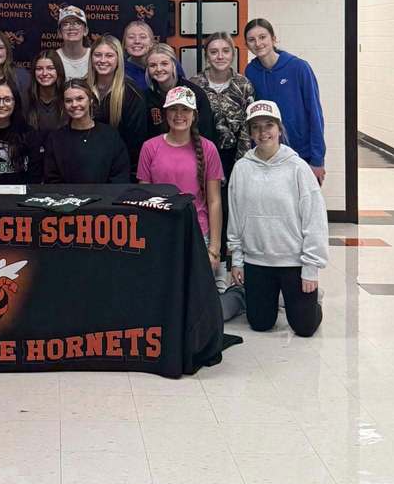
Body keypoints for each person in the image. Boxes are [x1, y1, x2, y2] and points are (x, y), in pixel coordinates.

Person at [228, 100, 328, 337]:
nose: (263, 133)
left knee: (304, 327)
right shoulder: (242, 168)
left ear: (279, 129)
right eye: (256, 127)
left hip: (293, 261)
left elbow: (315, 220)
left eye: (269, 125)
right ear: (250, 133)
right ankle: (269, 298)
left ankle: (312, 300)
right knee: (260, 324)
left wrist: (311, 267)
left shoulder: (298, 168)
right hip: (257, 262)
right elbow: (235, 216)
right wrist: (237, 259)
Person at [137, 86, 224, 278]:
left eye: (185, 109)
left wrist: (214, 248)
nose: (179, 115)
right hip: (159, 232)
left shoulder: (208, 149)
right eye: (173, 109)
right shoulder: (149, 148)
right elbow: (144, 199)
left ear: (194, 114)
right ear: (165, 113)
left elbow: (214, 201)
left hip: (197, 233)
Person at [244, 18, 326, 186]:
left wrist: (317, 159)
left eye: (262, 37)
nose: (258, 43)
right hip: (268, 155)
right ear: (247, 45)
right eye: (252, 40)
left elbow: (315, 115)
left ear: (274, 39)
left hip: (301, 154)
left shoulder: (299, 68)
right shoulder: (250, 71)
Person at [191, 33, 255, 181]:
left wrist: (242, 164)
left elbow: (247, 127)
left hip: (234, 157)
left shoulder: (243, 85)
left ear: (233, 54)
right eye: (214, 52)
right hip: (202, 156)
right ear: (207, 55)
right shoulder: (194, 85)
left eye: (226, 51)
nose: (220, 56)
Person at [44, 79, 130, 184]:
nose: (74, 104)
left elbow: (120, 176)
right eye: (68, 101)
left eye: (80, 99)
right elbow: (52, 180)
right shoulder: (55, 139)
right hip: (67, 199)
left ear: (90, 100)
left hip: (106, 198)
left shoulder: (110, 136)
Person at [86, 34, 146, 171]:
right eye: (97, 55)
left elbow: (135, 142)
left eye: (109, 55)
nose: (102, 60)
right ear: (91, 58)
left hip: (119, 169)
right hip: (85, 166)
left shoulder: (132, 93)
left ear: (118, 59)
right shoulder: (82, 89)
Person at [144, 42, 216, 145]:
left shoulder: (194, 94)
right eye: (153, 65)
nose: (159, 69)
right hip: (159, 154)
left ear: (174, 64)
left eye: (164, 63)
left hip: (193, 152)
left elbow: (206, 132)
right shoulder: (146, 97)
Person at [25, 50, 66, 139]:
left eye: (50, 68)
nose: (44, 73)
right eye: (39, 69)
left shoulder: (67, 98)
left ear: (58, 70)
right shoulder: (26, 98)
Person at [55, 6, 91, 79]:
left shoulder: (95, 56)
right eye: (66, 24)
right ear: (59, 33)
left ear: (85, 31)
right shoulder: (53, 58)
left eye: (77, 23)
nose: (71, 27)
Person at [122, 19, 155, 92]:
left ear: (151, 43)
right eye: (131, 37)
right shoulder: (119, 70)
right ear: (124, 44)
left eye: (143, 37)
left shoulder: (167, 64)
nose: (137, 41)